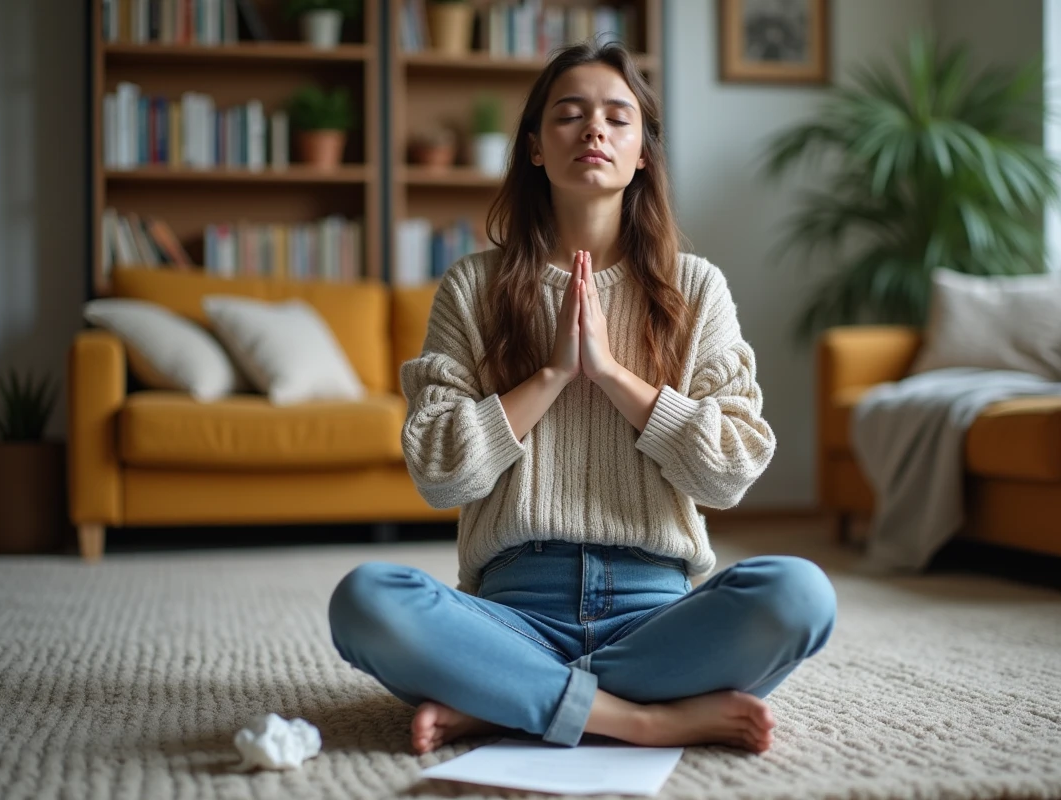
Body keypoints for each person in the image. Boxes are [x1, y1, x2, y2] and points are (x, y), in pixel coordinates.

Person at [328, 39, 837, 756]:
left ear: (643, 156)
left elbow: (727, 472)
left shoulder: (697, 289)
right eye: (569, 114)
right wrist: (553, 375)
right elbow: (440, 475)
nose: (594, 130)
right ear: (536, 146)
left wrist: (612, 375)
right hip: (511, 609)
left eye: (618, 118)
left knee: (800, 595)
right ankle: (640, 718)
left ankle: (510, 700)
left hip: (655, 610)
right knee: (366, 601)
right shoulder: (472, 287)